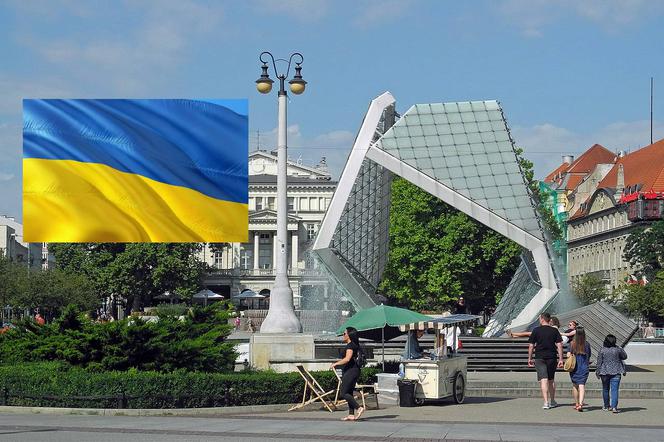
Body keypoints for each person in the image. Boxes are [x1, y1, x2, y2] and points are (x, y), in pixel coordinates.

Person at [528, 312, 564, 409]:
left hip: (539, 357)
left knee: (543, 379)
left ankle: (545, 402)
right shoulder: (554, 331)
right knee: (551, 380)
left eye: (540, 318)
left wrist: (530, 358)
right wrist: (561, 359)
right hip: (552, 357)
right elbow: (559, 345)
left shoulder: (536, 330)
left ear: (542, 319)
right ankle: (552, 400)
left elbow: (531, 345)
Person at [330, 327, 365, 421]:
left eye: (344, 333)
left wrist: (336, 363)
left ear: (349, 335)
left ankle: (359, 408)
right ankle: (351, 414)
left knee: (343, 392)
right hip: (354, 371)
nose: (343, 335)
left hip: (351, 371)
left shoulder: (350, 346)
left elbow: (347, 359)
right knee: (349, 392)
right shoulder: (355, 345)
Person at [596, 334, 628, 413]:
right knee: (615, 390)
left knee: (605, 389)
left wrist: (597, 372)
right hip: (616, 371)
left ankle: (606, 406)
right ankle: (614, 407)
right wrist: (620, 349)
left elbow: (599, 362)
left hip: (604, 371)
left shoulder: (602, 350)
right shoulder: (618, 349)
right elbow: (624, 357)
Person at [568, 326, 591, 411]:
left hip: (574, 367)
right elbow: (589, 355)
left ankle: (577, 403)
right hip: (584, 367)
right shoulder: (587, 344)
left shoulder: (572, 343)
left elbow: (568, 355)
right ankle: (581, 404)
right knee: (582, 385)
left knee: (575, 385)